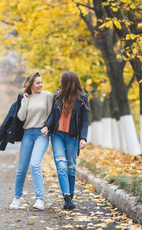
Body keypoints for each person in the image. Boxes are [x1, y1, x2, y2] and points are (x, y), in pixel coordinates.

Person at [42, 71, 90, 210]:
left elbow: (85, 120)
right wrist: (46, 126)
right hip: (57, 135)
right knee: (61, 165)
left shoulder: (83, 98)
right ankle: (67, 197)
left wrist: (83, 138)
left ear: (68, 82)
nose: (60, 83)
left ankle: (70, 195)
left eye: (62, 81)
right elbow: (52, 114)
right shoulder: (57, 95)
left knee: (71, 167)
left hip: (72, 136)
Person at [9, 71, 53, 210]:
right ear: (31, 84)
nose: (41, 85)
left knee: (34, 164)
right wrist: (25, 101)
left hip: (41, 134)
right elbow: (21, 117)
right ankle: (17, 198)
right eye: (38, 83)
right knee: (21, 168)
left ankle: (39, 199)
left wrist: (47, 126)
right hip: (28, 134)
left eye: (41, 82)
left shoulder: (47, 95)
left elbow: (52, 114)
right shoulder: (25, 97)